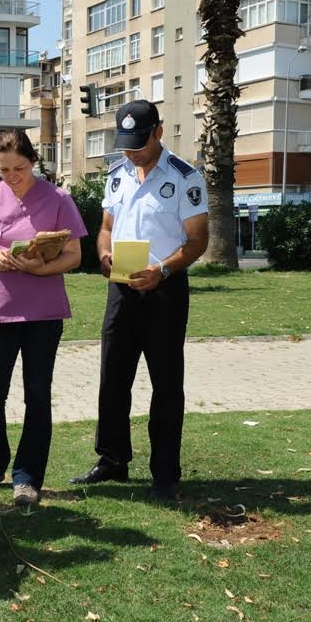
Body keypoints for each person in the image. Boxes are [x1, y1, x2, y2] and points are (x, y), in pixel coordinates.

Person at [69, 99, 209, 501]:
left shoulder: (186, 178)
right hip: (121, 289)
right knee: (113, 377)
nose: (132, 152)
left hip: (165, 289)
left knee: (166, 383)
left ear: (158, 133)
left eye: (139, 143)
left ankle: (165, 472)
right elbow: (106, 227)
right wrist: (104, 253)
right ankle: (112, 460)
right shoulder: (117, 175)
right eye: (126, 143)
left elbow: (198, 241)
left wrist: (161, 270)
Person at [0, 129, 86, 506]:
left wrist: (38, 268)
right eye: (3, 169)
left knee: (37, 395)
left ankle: (27, 478)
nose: (12, 175)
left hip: (43, 314)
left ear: (33, 161)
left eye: (18, 167)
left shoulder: (59, 199)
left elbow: (74, 255)